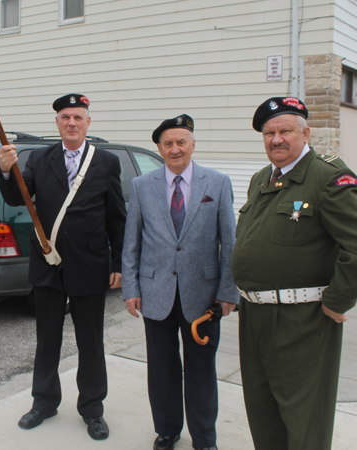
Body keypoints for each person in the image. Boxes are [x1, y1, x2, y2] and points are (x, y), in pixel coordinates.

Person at [232, 96, 357, 450]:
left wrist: (338, 299)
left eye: (285, 130)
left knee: (304, 418)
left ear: (306, 133)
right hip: (254, 315)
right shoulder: (261, 179)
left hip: (302, 320)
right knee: (262, 409)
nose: (276, 139)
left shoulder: (327, 177)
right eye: (269, 133)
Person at [0, 94, 126, 440]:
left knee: (90, 340)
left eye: (78, 117)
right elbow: (16, 197)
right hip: (48, 263)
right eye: (65, 117)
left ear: (88, 122)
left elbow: (116, 216)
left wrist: (118, 262)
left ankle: (93, 408)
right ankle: (44, 401)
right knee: (47, 338)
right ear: (57, 122)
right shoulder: (39, 159)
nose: (71, 122)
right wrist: (6, 170)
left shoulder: (107, 162)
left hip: (91, 263)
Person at [122, 114, 239, 450]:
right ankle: (168, 429)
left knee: (201, 372)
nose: (175, 149)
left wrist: (227, 292)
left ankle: (204, 438)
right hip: (155, 293)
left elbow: (228, 242)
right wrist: (131, 288)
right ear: (159, 148)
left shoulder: (216, 183)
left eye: (181, 142)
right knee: (162, 369)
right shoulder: (142, 186)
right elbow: (132, 243)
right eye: (168, 143)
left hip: (203, 299)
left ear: (192, 144)